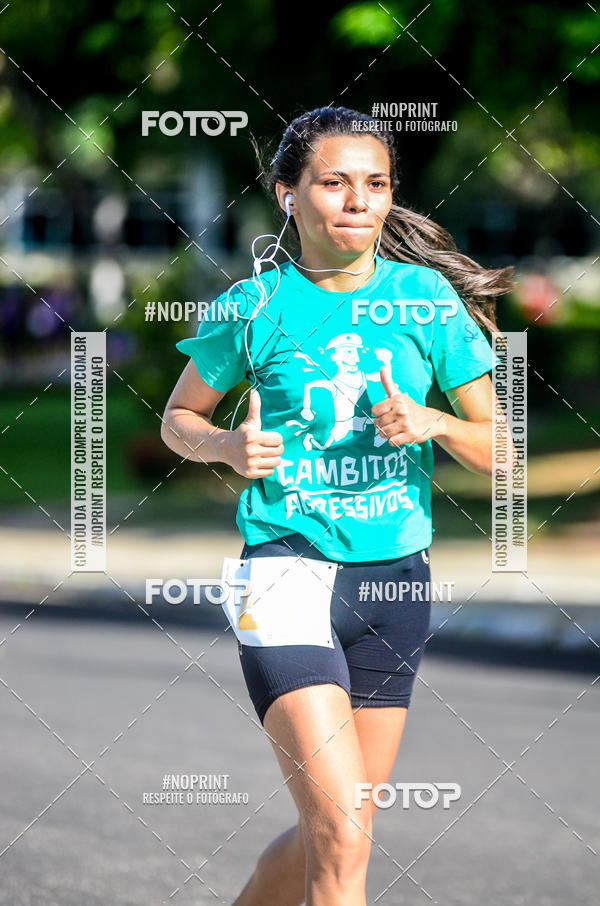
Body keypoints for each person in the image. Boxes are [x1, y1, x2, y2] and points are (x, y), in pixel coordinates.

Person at [161, 106, 515, 906]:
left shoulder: (425, 300)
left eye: (376, 183)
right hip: (284, 571)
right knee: (343, 835)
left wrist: (435, 421)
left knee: (340, 829)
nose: (358, 199)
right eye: (334, 182)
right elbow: (178, 419)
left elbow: (503, 456)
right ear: (288, 194)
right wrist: (222, 447)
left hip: (394, 584)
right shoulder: (252, 307)